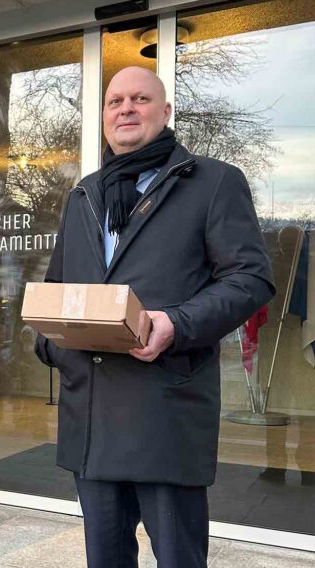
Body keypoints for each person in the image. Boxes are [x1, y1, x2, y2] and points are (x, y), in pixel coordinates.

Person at [35, 67, 274, 568]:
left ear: (165, 112)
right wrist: (50, 343)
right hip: (91, 415)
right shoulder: (84, 194)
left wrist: (177, 324)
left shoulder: (213, 182)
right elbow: (58, 288)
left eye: (140, 99)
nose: (125, 108)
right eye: (114, 101)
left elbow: (250, 278)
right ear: (104, 116)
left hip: (165, 411)